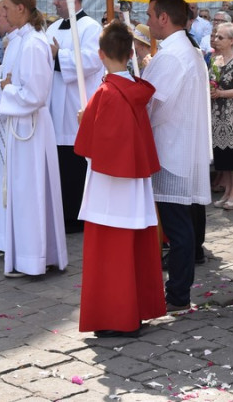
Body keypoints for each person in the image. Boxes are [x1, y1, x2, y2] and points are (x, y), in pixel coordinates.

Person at [75, 21, 166, 338]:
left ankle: (115, 318)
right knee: (133, 248)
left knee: (109, 252)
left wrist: (84, 121)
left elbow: (92, 152)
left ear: (100, 55)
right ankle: (134, 313)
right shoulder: (135, 90)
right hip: (134, 183)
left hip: (108, 187)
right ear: (130, 53)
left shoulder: (106, 93)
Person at [0, 0, 68, 277]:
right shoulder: (20, 41)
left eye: (6, 8)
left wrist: (7, 89)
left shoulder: (34, 43)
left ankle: (34, 258)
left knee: (30, 192)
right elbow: (12, 83)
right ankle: (26, 253)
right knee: (21, 193)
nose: (3, 14)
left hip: (31, 126)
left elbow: (35, 94)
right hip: (20, 124)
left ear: (21, 8)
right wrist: (2, 90)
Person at [143, 0, 211, 311]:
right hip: (181, 143)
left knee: (177, 227)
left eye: (149, 15)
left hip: (171, 147)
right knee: (180, 224)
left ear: (163, 18)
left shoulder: (171, 56)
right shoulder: (188, 50)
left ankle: (178, 294)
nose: (147, 21)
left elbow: (150, 101)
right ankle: (177, 290)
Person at [46, 0, 103, 233]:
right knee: (59, 159)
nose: (54, 3)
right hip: (54, 101)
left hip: (76, 103)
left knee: (76, 160)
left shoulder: (91, 27)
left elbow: (92, 60)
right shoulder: (53, 27)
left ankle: (77, 215)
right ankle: (61, 212)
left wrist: (59, 55)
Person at [209, 22, 233, 210]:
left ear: (232, 41)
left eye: (221, 37)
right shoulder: (215, 61)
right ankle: (227, 192)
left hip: (231, 114)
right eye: (216, 37)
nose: (216, 40)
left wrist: (221, 94)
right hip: (216, 114)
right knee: (222, 156)